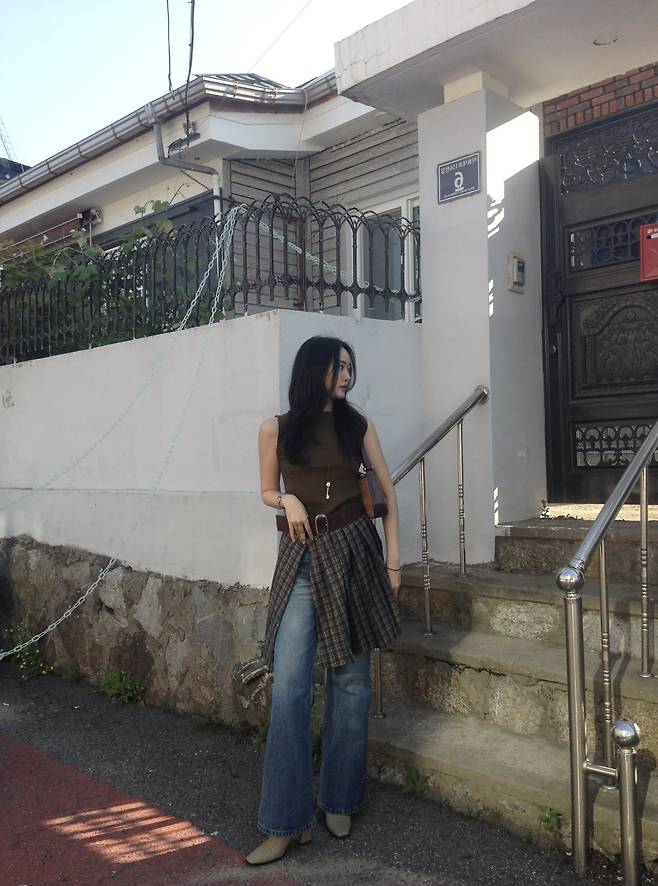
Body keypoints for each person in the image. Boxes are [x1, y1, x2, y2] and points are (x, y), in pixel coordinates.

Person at [245, 335, 402, 866]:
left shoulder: (358, 426)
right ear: (314, 370)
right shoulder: (276, 429)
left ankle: (340, 799)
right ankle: (285, 823)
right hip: (302, 558)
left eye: (351, 367)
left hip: (355, 553)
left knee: (352, 682)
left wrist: (394, 562)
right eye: (339, 366)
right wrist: (287, 498)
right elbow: (266, 490)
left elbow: (386, 492)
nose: (347, 375)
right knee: (290, 687)